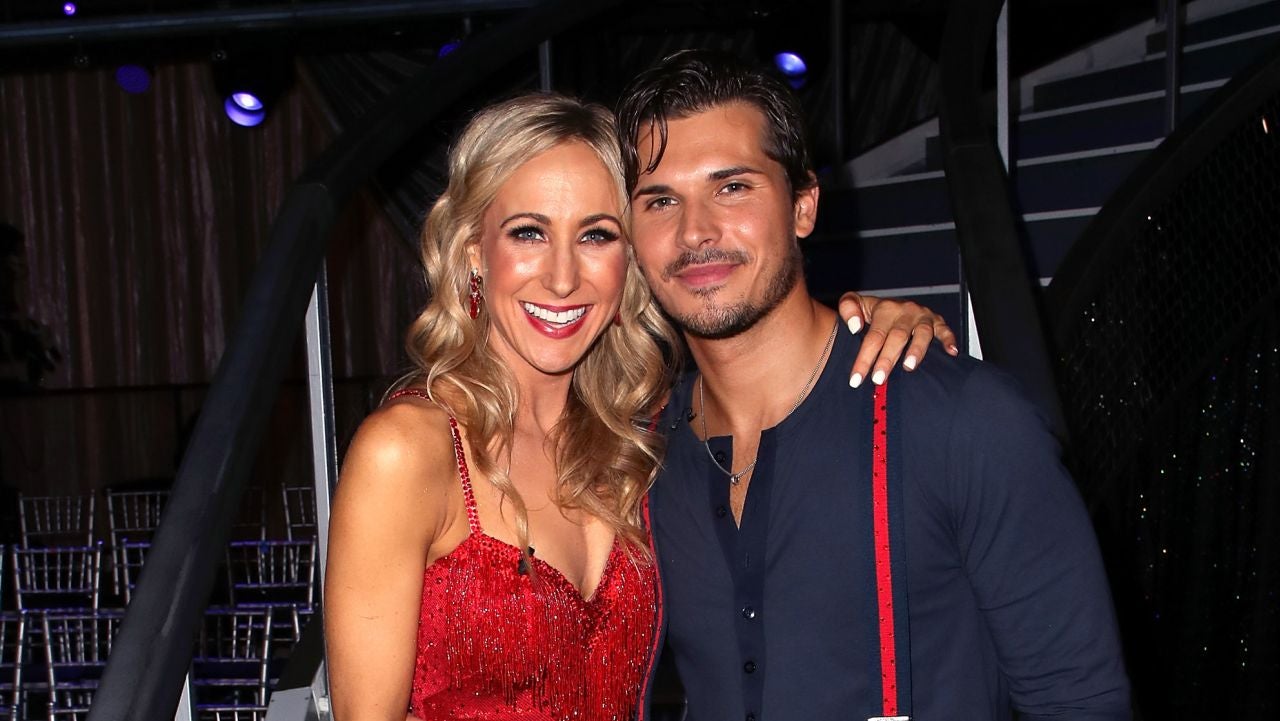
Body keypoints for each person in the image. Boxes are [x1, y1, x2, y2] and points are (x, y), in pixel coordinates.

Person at [323, 93, 953, 720]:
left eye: (596, 235)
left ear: (630, 260)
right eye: (529, 233)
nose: (563, 277)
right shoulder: (408, 451)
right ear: (472, 252)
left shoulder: (638, 440)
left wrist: (875, 320)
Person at [618, 50, 1131, 721]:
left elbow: (1080, 702)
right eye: (661, 200)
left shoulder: (963, 421)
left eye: (733, 187)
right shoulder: (637, 457)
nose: (695, 231)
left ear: (803, 206)